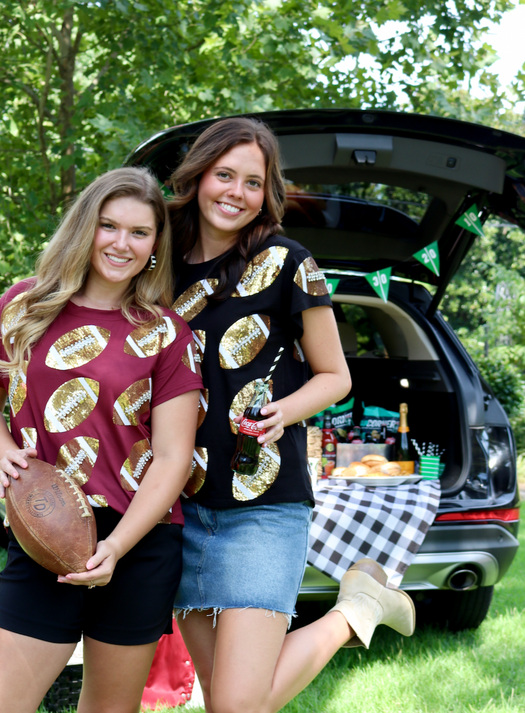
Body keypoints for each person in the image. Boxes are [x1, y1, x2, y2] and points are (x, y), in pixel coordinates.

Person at [166, 117, 416, 713]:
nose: (235, 192)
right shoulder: (161, 265)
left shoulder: (287, 260)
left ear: (267, 193)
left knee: (236, 706)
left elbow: (336, 376)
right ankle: (359, 606)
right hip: (178, 506)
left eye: (253, 182)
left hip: (263, 504)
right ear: (199, 176)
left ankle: (356, 609)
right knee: (221, 703)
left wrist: (284, 411)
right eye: (224, 175)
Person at [0, 167, 203, 713]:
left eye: (139, 233)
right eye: (109, 226)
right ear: (84, 227)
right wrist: (8, 458)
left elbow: (172, 457)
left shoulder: (166, 333)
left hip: (137, 542)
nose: (122, 243)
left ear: (156, 245)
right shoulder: (24, 306)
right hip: (46, 527)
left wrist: (115, 548)